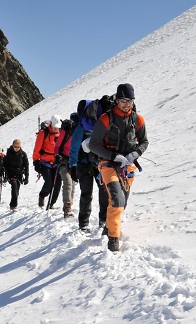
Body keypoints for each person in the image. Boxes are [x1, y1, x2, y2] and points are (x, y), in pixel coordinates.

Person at [85, 83, 148, 252]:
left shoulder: (138, 119)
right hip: (108, 164)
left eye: (130, 100)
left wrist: (135, 154)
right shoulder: (106, 119)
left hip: (128, 166)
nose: (127, 103)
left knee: (122, 202)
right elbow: (93, 145)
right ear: (117, 100)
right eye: (123, 100)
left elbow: (144, 141)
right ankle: (113, 238)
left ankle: (108, 225)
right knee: (118, 199)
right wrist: (114, 156)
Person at [70, 99, 109, 232]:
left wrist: (73, 166)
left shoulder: (81, 126)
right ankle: (103, 221)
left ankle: (84, 224)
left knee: (86, 194)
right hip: (98, 163)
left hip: (83, 164)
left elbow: (74, 147)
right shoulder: (100, 123)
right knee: (103, 191)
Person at [32, 115, 62, 209]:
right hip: (45, 162)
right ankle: (42, 196)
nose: (56, 129)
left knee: (57, 183)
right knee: (49, 182)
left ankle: (51, 203)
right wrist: (36, 162)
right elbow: (37, 149)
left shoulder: (61, 133)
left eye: (57, 127)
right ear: (51, 124)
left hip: (57, 162)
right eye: (54, 127)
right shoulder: (43, 133)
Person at [54, 116, 77, 217]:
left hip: (73, 162)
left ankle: (68, 205)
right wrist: (57, 156)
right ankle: (67, 207)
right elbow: (57, 146)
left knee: (72, 184)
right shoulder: (66, 131)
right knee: (68, 182)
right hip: (63, 160)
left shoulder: (79, 132)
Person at [3, 139, 29, 210]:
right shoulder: (9, 153)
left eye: (18, 147)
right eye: (15, 147)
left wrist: (27, 177)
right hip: (11, 174)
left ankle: (13, 204)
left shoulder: (23, 154)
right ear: (12, 145)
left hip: (19, 175)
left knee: (17, 190)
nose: (17, 148)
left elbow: (26, 166)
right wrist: (6, 176)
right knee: (14, 189)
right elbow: (5, 165)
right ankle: (13, 206)